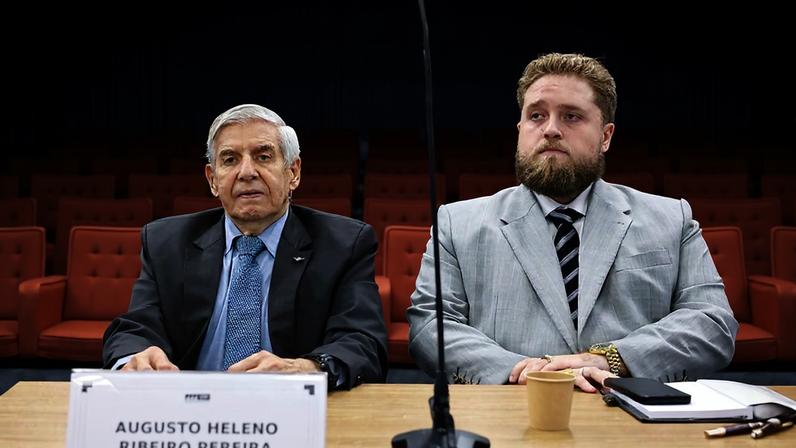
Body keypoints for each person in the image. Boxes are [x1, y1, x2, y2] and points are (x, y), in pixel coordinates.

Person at [406, 53, 738, 392]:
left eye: (571, 116)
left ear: (606, 136)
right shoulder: (456, 224)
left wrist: (612, 359)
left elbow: (712, 322)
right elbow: (430, 325)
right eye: (536, 115)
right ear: (520, 130)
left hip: (629, 408)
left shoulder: (672, 219)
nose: (550, 129)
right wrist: (518, 370)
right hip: (508, 407)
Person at [103, 104, 387, 390]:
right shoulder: (166, 242)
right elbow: (134, 328)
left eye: (263, 157)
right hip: (190, 406)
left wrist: (306, 368)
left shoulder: (343, 244)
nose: (247, 172)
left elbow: (362, 343)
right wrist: (137, 356)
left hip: (291, 402)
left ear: (293, 172)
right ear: (213, 180)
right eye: (230, 160)